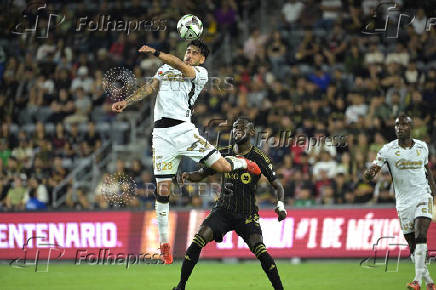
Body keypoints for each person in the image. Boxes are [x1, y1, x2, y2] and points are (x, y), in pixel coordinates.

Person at [111, 40, 261, 264]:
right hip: (161, 136)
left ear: (202, 59)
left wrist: (156, 52)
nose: (189, 55)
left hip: (183, 131)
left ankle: (244, 163)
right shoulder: (165, 68)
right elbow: (150, 87)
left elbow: (179, 65)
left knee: (221, 166)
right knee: (162, 190)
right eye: (188, 51)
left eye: (194, 53)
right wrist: (127, 101)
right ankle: (164, 244)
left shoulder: (199, 73)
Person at [173, 118, 286, 290]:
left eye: (242, 127)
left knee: (260, 250)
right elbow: (202, 173)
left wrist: (281, 205)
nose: (237, 130)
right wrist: (188, 175)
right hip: (223, 210)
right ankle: (181, 286)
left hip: (246, 214)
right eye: (234, 127)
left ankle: (279, 288)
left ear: (252, 132)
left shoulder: (259, 157)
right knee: (198, 241)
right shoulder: (222, 153)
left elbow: (277, 185)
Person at [364, 114, 436, 290]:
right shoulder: (387, 150)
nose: (399, 128)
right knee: (412, 244)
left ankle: (417, 281)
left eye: (403, 125)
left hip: (422, 196)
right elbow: (373, 168)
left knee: (420, 234)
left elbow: (427, 171)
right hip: (403, 202)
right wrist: (369, 173)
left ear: (411, 127)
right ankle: (430, 282)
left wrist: (434, 195)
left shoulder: (422, 146)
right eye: (396, 125)